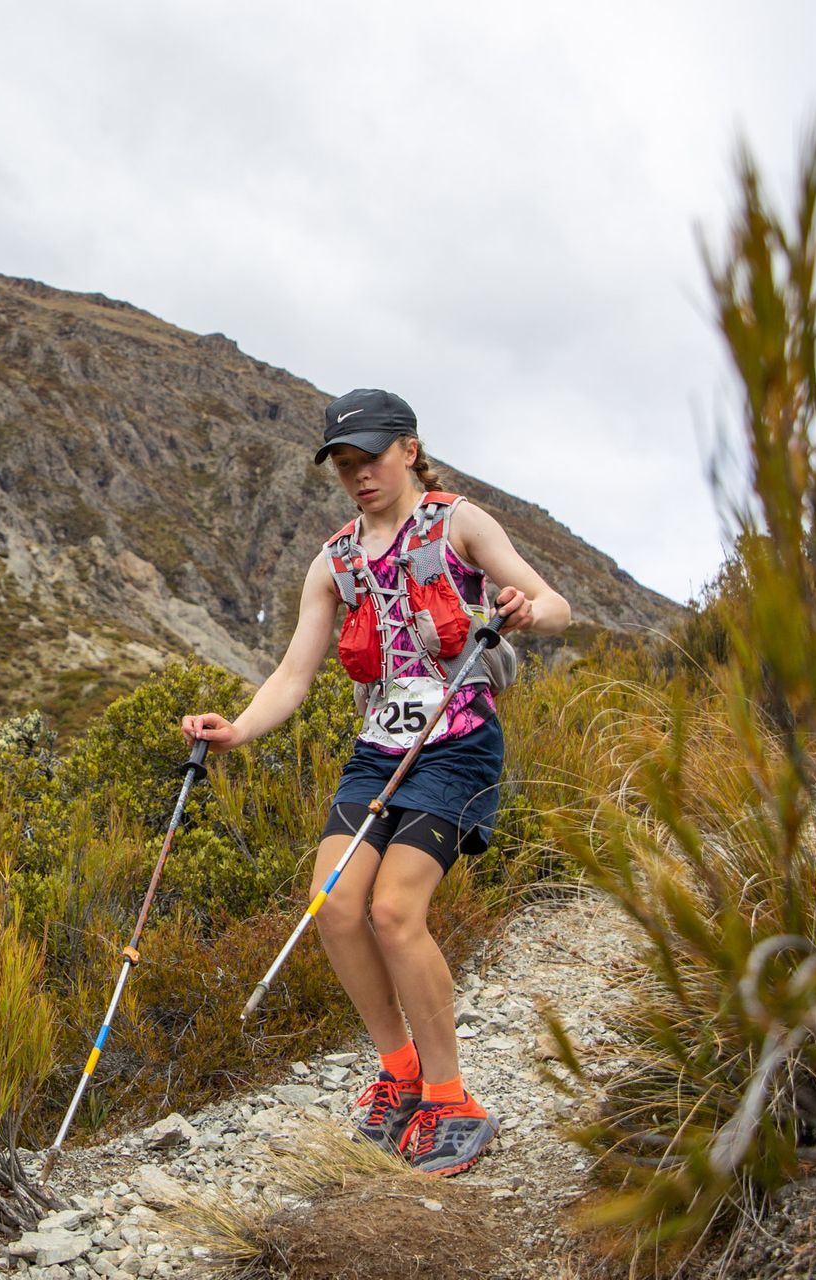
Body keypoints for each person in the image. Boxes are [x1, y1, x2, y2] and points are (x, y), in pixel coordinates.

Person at [179, 387, 570, 1177]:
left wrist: (527, 609)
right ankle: (399, 1076)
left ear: (410, 448)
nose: (359, 475)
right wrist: (239, 728)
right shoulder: (336, 559)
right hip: (377, 751)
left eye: (372, 458)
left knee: (394, 912)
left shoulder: (459, 522)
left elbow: (557, 604)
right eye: (345, 465)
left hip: (457, 743)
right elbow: (294, 672)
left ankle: (452, 1100)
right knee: (332, 906)